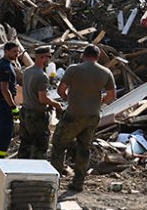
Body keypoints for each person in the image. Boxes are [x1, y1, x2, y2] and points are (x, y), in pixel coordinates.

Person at [49, 45, 117, 192]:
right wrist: (99, 102)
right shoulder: (106, 72)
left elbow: (61, 89)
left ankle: (54, 183)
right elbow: (111, 96)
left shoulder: (73, 69)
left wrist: (68, 98)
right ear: (97, 57)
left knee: (59, 145)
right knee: (84, 148)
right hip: (93, 116)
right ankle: (78, 183)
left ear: (83, 55)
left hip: (74, 114)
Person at [17, 45, 64, 159]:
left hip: (24, 112)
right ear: (43, 58)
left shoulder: (27, 71)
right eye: (49, 56)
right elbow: (42, 99)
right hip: (36, 115)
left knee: (25, 144)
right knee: (40, 145)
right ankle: (37, 172)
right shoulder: (42, 76)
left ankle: (19, 169)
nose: (50, 59)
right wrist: (56, 104)